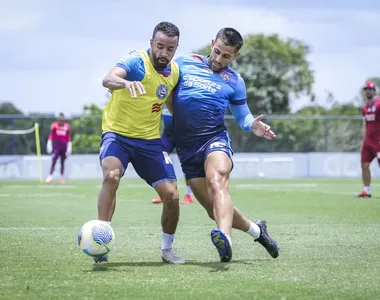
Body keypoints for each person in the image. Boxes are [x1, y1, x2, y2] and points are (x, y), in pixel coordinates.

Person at [169, 27, 279, 262]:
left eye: (226, 56)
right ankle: (258, 231)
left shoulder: (235, 81)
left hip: (214, 140)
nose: (219, 59)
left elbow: (243, 115)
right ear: (212, 43)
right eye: (217, 51)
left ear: (236, 56)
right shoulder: (183, 64)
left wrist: (253, 126)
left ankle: (225, 241)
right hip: (187, 148)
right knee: (214, 211)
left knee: (216, 181)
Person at [97, 21, 184, 264]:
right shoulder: (136, 62)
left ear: (175, 49)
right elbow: (108, 79)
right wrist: (125, 83)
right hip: (118, 135)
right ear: (151, 44)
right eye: (160, 46)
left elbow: (170, 104)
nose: (164, 53)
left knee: (172, 196)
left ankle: (167, 250)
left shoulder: (174, 72)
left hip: (149, 142)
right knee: (111, 176)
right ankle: (100, 244)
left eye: (170, 49)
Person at [152, 106, 194, 205]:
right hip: (167, 136)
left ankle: (189, 194)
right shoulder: (162, 95)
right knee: (159, 160)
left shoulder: (181, 97)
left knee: (186, 166)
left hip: (183, 137)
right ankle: (165, 192)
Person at [358, 81, 380, 198]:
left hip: (379, 141)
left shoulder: (379, 104)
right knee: (364, 164)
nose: (367, 91)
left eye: (370, 89)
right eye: (366, 89)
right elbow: (364, 125)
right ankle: (366, 190)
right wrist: (363, 142)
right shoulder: (365, 108)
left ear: (374, 90)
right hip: (368, 141)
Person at [45, 113, 72, 184]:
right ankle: (50, 176)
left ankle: (62, 177)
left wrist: (69, 146)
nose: (61, 121)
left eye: (62, 120)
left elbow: (68, 136)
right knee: (54, 161)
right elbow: (51, 135)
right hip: (56, 147)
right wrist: (49, 143)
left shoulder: (67, 126)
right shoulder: (54, 125)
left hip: (64, 147)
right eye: (60, 120)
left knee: (62, 162)